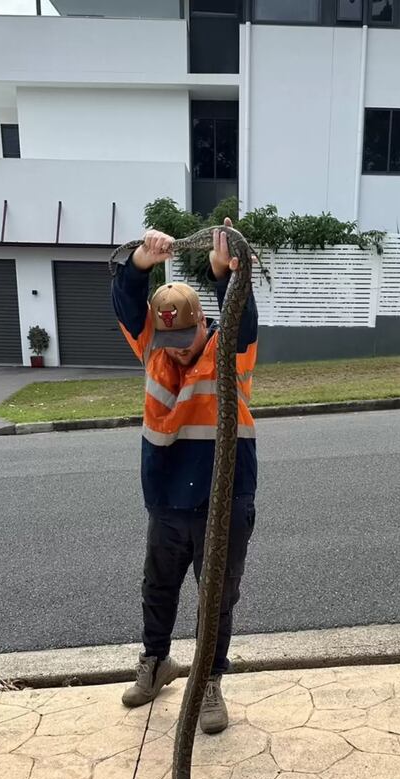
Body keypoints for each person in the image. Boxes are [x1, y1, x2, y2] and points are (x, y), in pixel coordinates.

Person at [111, 219, 258, 734]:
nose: (176, 347)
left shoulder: (231, 351)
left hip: (225, 499)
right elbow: (127, 305)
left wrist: (222, 272)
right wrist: (140, 263)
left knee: (216, 597)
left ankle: (210, 681)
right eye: (167, 337)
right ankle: (155, 663)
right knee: (158, 587)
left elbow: (243, 312)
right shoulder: (154, 347)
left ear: (204, 323)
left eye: (185, 335)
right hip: (167, 499)